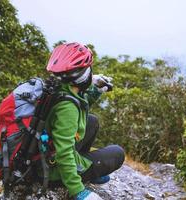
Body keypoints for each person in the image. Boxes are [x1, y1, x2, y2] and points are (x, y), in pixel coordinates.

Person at [45, 42, 125, 199]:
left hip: (45, 151)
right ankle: (84, 174)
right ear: (83, 75)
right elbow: (64, 153)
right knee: (117, 153)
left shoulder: (59, 89)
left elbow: (79, 105)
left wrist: (95, 90)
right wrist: (78, 191)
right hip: (50, 169)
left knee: (91, 121)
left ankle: (87, 171)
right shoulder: (67, 108)